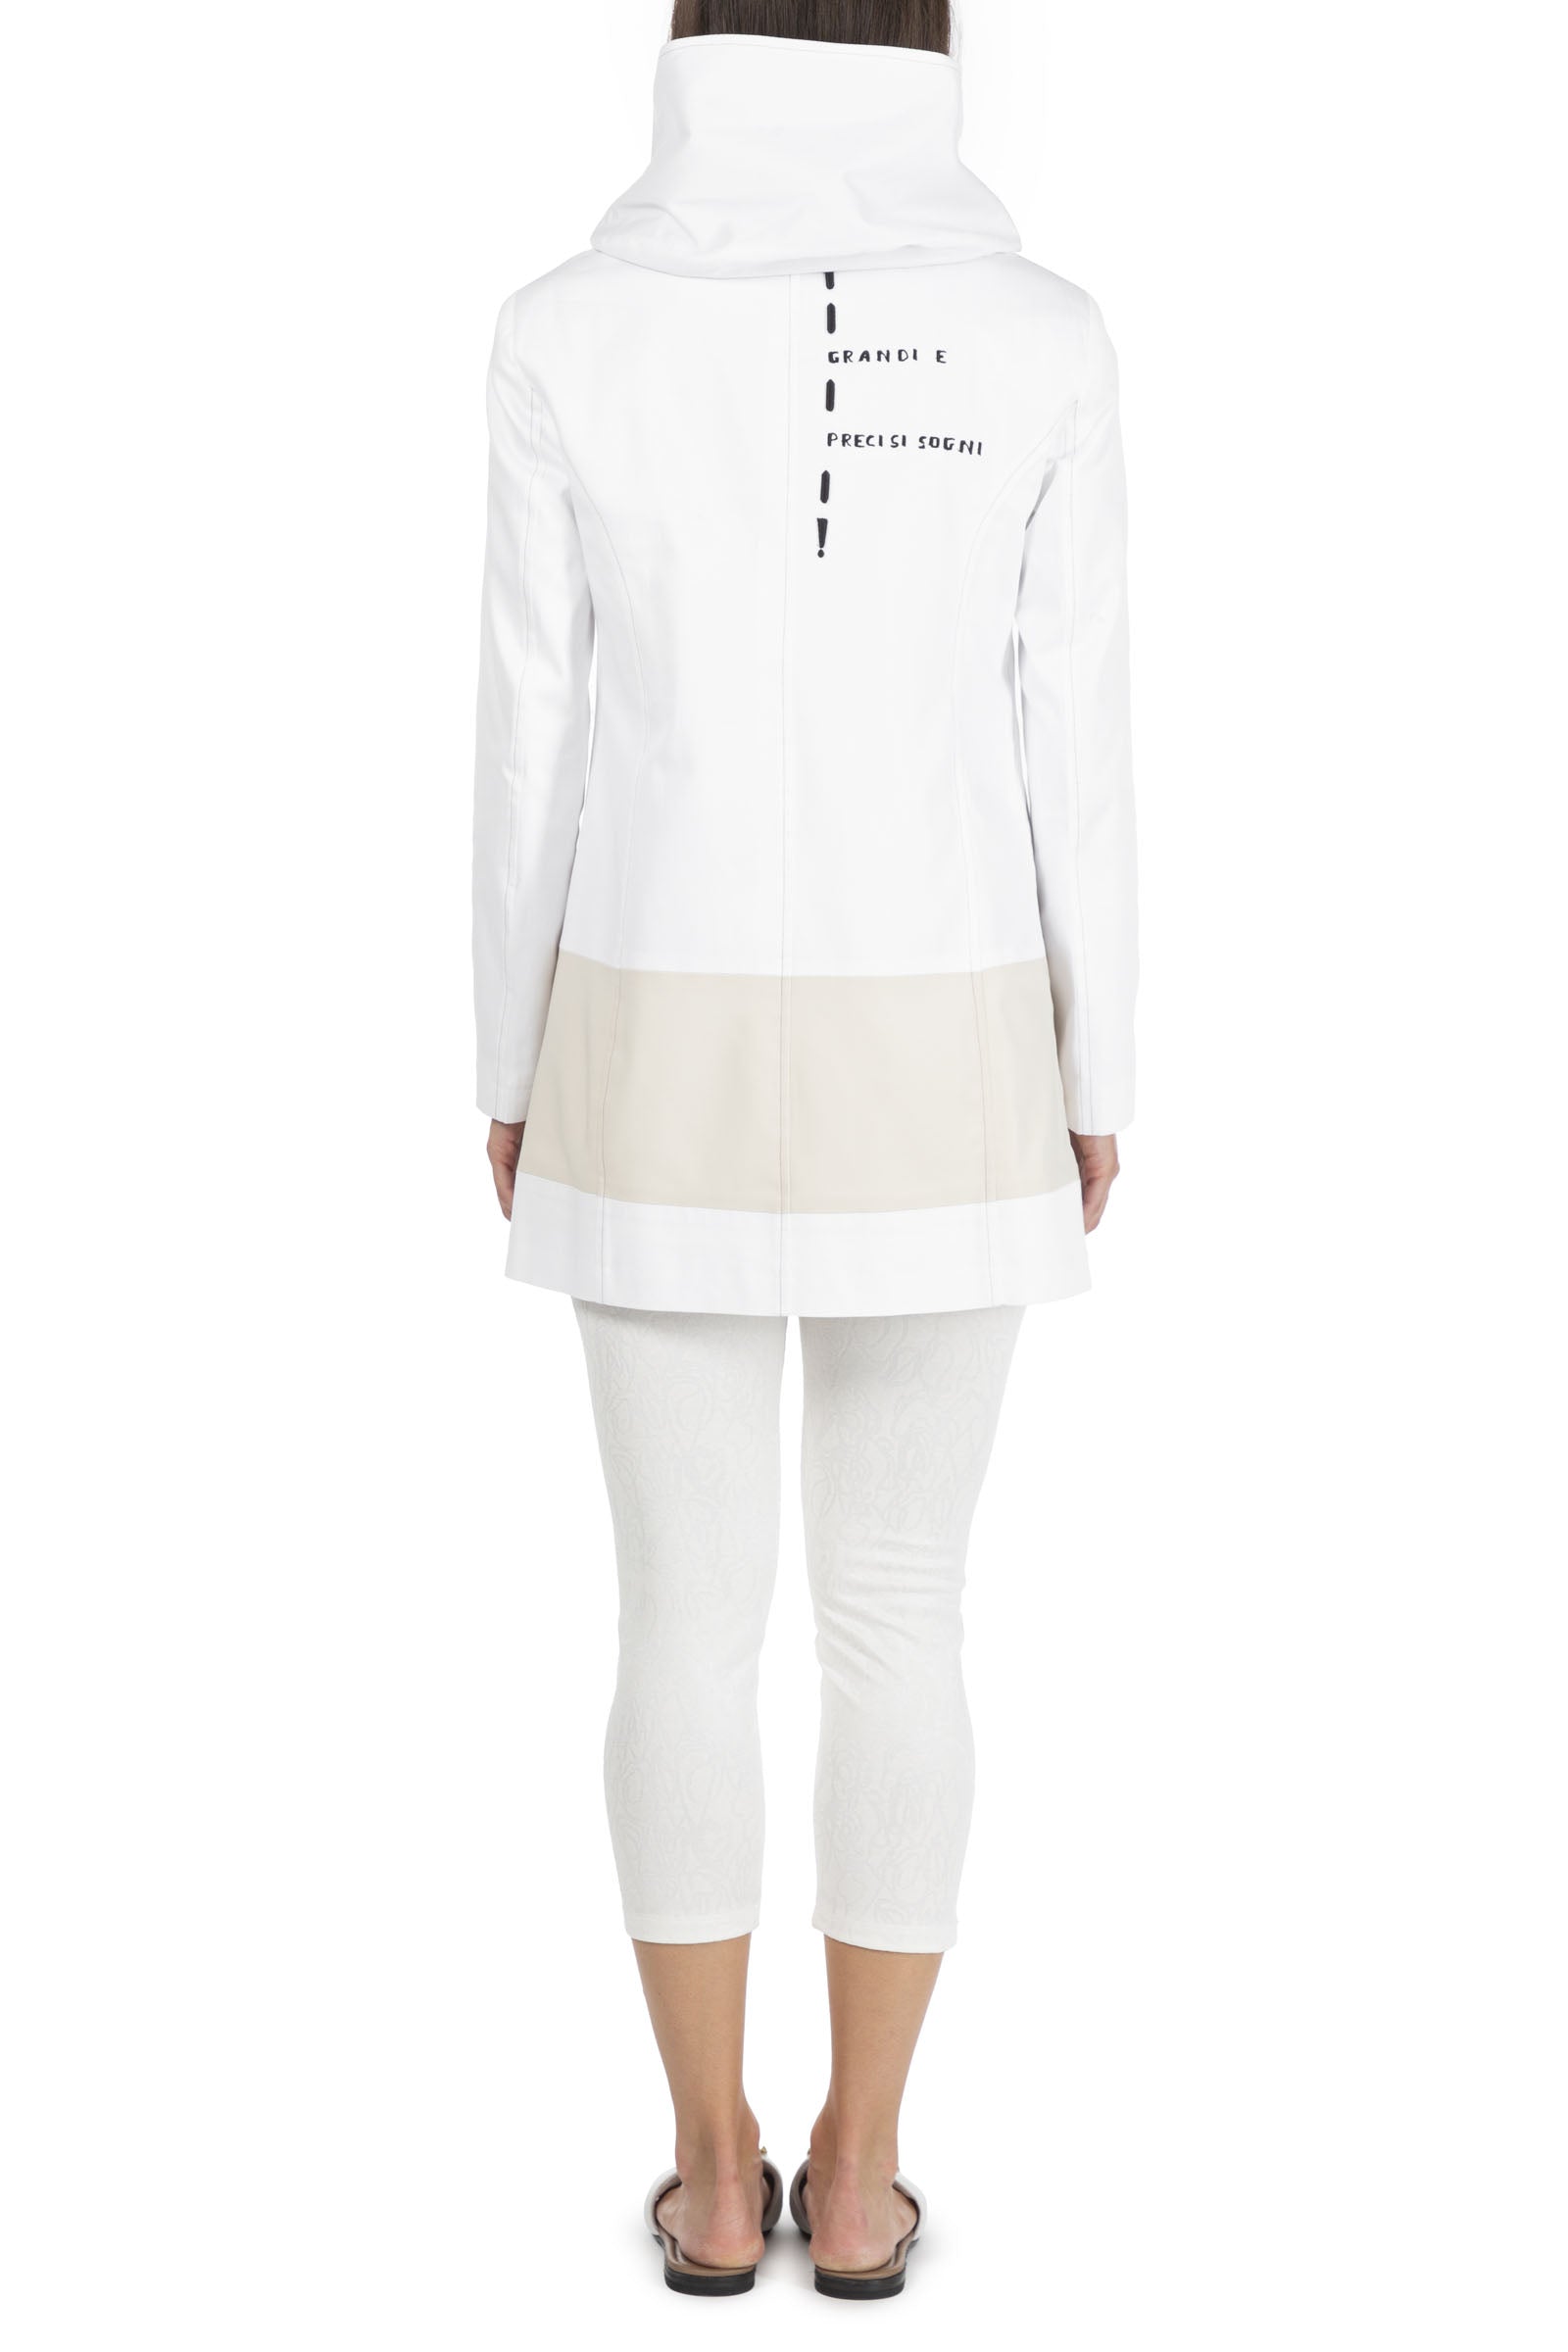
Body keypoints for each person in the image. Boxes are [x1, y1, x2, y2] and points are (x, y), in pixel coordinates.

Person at [472, 0, 1137, 2300]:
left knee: (677, 1617)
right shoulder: (1039, 339)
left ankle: (707, 2164)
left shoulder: (567, 329)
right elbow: (1074, 737)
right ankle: (860, 2175)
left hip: (639, 1021)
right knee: (896, 1612)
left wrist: (505, 1049)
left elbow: (530, 734)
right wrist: (1098, 1064)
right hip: (947, 1038)